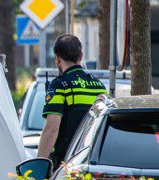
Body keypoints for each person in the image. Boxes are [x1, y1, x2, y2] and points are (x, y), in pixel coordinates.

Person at [36, 34, 107, 167]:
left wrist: (38, 166)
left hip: (67, 164)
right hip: (95, 163)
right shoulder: (99, 86)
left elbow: (51, 129)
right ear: (81, 57)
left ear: (57, 58)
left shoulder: (59, 85)